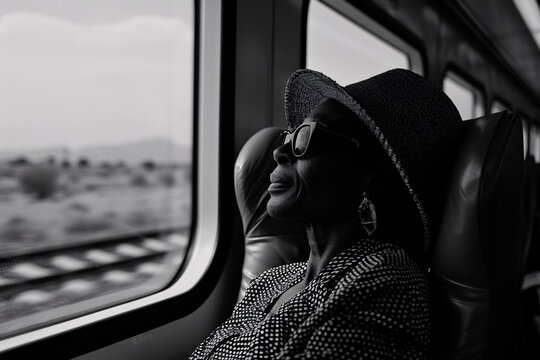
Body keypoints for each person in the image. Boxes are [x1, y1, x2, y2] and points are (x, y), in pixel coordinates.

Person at [189, 68, 462, 359]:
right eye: (287, 137)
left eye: (305, 138)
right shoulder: (272, 280)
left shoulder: (388, 282)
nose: (279, 153)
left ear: (370, 173)